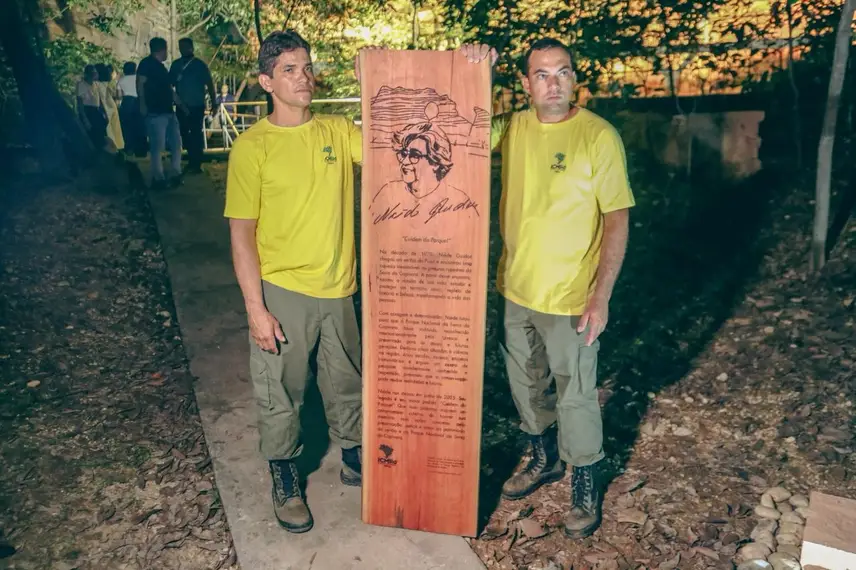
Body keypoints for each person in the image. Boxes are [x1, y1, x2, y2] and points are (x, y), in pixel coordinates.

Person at [463, 39, 635, 539]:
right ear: (525, 83)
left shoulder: (598, 135)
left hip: (571, 297)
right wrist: (477, 73)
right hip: (516, 289)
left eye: (562, 72)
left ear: (575, 78)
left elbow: (618, 219)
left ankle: (583, 479)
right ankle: (543, 459)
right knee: (525, 386)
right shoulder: (513, 127)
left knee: (576, 396)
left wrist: (600, 296)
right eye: (541, 74)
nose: (553, 83)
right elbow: (462, 132)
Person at [224, 30, 363, 534]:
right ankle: (284, 477)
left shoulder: (338, 130)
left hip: (339, 287)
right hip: (283, 291)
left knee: (347, 382)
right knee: (281, 391)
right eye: (289, 70)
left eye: (306, 67)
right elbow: (242, 235)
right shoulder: (252, 147)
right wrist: (255, 309)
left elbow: (397, 144)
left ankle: (355, 457)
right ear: (266, 82)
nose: (303, 77)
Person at [137, 37, 182, 189]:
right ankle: (158, 177)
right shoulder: (146, 64)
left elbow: (169, 89)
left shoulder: (162, 68)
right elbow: (140, 84)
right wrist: (143, 104)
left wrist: (178, 102)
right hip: (155, 111)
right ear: (161, 50)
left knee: (176, 143)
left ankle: (175, 172)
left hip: (168, 110)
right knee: (158, 146)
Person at [170, 38, 216, 173]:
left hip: (197, 104)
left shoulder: (200, 65)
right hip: (181, 105)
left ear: (191, 48)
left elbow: (210, 84)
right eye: (180, 47)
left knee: (196, 132)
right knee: (184, 132)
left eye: (184, 47)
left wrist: (214, 102)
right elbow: (169, 83)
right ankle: (191, 158)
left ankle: (197, 162)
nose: (182, 49)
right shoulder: (176, 65)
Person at [117, 61, 147, 157]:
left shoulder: (121, 80)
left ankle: (129, 149)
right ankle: (141, 151)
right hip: (139, 103)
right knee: (141, 127)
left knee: (127, 128)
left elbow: (118, 96)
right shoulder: (140, 79)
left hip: (126, 104)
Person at [76, 65, 107, 149]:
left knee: (101, 132)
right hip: (87, 110)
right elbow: (80, 102)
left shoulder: (96, 84)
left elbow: (100, 100)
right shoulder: (81, 84)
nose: (95, 74)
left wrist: (104, 112)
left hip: (96, 111)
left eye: (95, 72)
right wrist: (84, 118)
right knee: (91, 133)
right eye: (92, 73)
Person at [96, 63, 124, 153]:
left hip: (104, 109)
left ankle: (111, 150)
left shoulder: (95, 84)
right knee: (115, 129)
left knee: (108, 132)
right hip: (112, 107)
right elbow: (118, 95)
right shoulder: (110, 83)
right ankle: (118, 148)